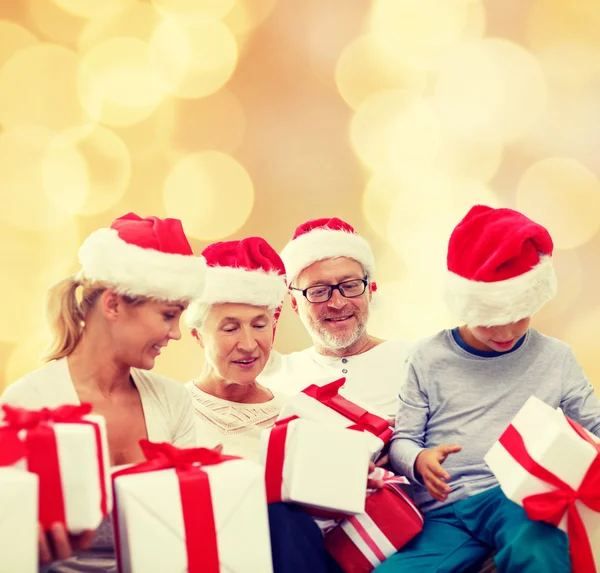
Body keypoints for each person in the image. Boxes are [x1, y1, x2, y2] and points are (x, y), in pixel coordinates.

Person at [378, 205, 600, 573]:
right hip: (444, 513)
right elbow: (403, 440)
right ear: (464, 305)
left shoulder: (556, 358)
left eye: (519, 316)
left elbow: (595, 425)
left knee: (538, 547)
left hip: (517, 499)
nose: (506, 332)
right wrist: (419, 460)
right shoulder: (427, 358)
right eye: (490, 321)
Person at [0, 213, 207, 572]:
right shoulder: (26, 405)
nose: (175, 333)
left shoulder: (174, 402)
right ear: (112, 305)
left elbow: (186, 528)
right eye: (168, 315)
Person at [184, 236, 382, 573]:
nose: (248, 344)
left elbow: (323, 519)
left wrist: (348, 481)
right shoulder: (174, 408)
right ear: (198, 335)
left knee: (286, 518)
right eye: (230, 328)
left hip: (294, 556)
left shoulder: (297, 412)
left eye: (260, 325)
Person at [259, 217, 408, 420]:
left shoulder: (413, 362)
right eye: (319, 291)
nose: (337, 303)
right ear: (294, 303)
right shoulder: (275, 380)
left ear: (371, 290)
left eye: (350, 286)